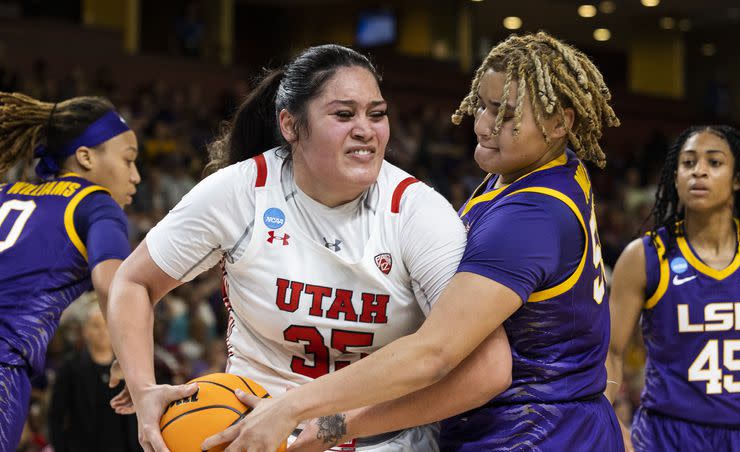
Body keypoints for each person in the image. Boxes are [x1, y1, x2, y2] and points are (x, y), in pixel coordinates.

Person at [197, 31, 623, 452]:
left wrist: (303, 413)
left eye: (506, 114)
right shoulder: (550, 173)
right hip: (561, 422)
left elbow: (434, 353)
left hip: (533, 433)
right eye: (483, 106)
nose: (485, 125)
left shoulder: (527, 217)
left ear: (560, 122)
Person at [107, 44, 510, 451]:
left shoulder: (418, 212)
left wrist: (332, 425)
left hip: (382, 438)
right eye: (343, 114)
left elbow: (487, 368)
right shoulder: (240, 192)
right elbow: (134, 282)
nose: (366, 129)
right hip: (253, 429)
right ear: (290, 125)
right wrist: (143, 389)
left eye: (377, 113)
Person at [604, 125, 740, 451]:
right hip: (665, 434)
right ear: (675, 177)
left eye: (714, 162)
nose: (699, 171)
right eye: (688, 162)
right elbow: (611, 351)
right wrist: (609, 419)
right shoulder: (644, 256)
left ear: (738, 179)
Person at [0, 92, 140, 450]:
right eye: (128, 160)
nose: (136, 176)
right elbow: (114, 284)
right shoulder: (96, 203)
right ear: (85, 157)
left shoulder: (5, 193)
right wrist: (132, 362)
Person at [48, 296, 140, 451]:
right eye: (96, 326)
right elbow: (56, 415)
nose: (102, 331)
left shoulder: (130, 366)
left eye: (107, 325)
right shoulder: (70, 368)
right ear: (85, 331)